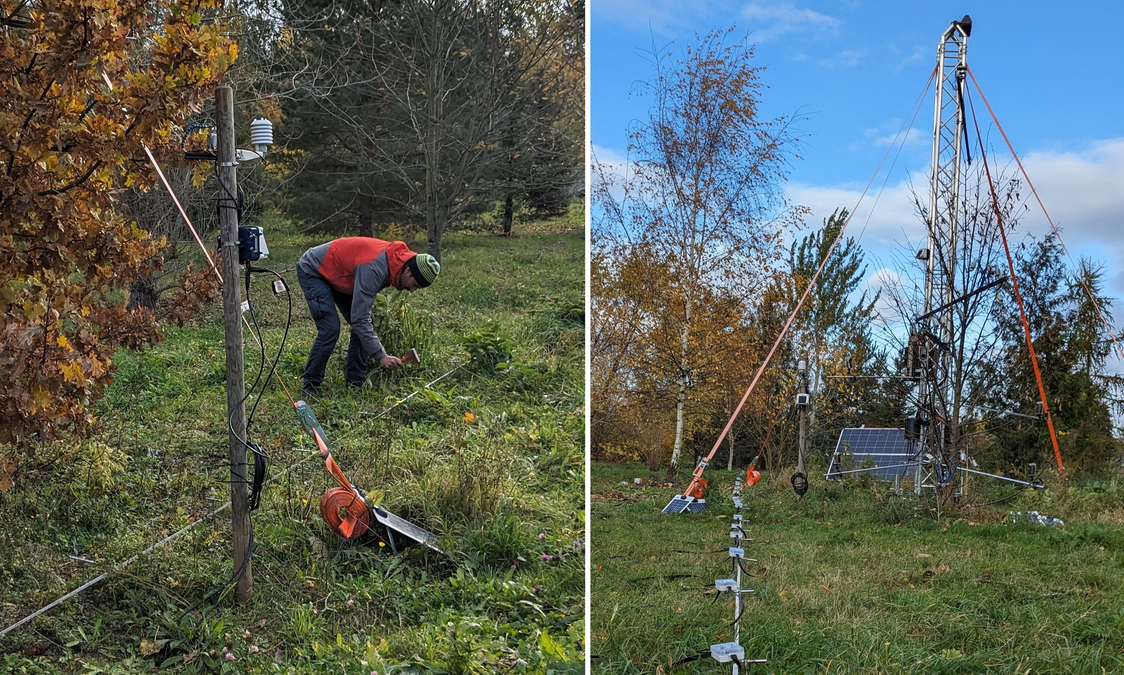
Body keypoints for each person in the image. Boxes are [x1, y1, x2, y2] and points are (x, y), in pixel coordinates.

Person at [296, 237, 439, 398]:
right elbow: (359, 319)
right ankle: (310, 387)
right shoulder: (374, 268)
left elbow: (361, 317)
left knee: (366, 321)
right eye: (415, 285)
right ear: (408, 272)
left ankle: (355, 384)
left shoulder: (398, 262)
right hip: (314, 270)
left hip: (340, 275)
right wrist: (381, 355)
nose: (412, 290)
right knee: (330, 329)